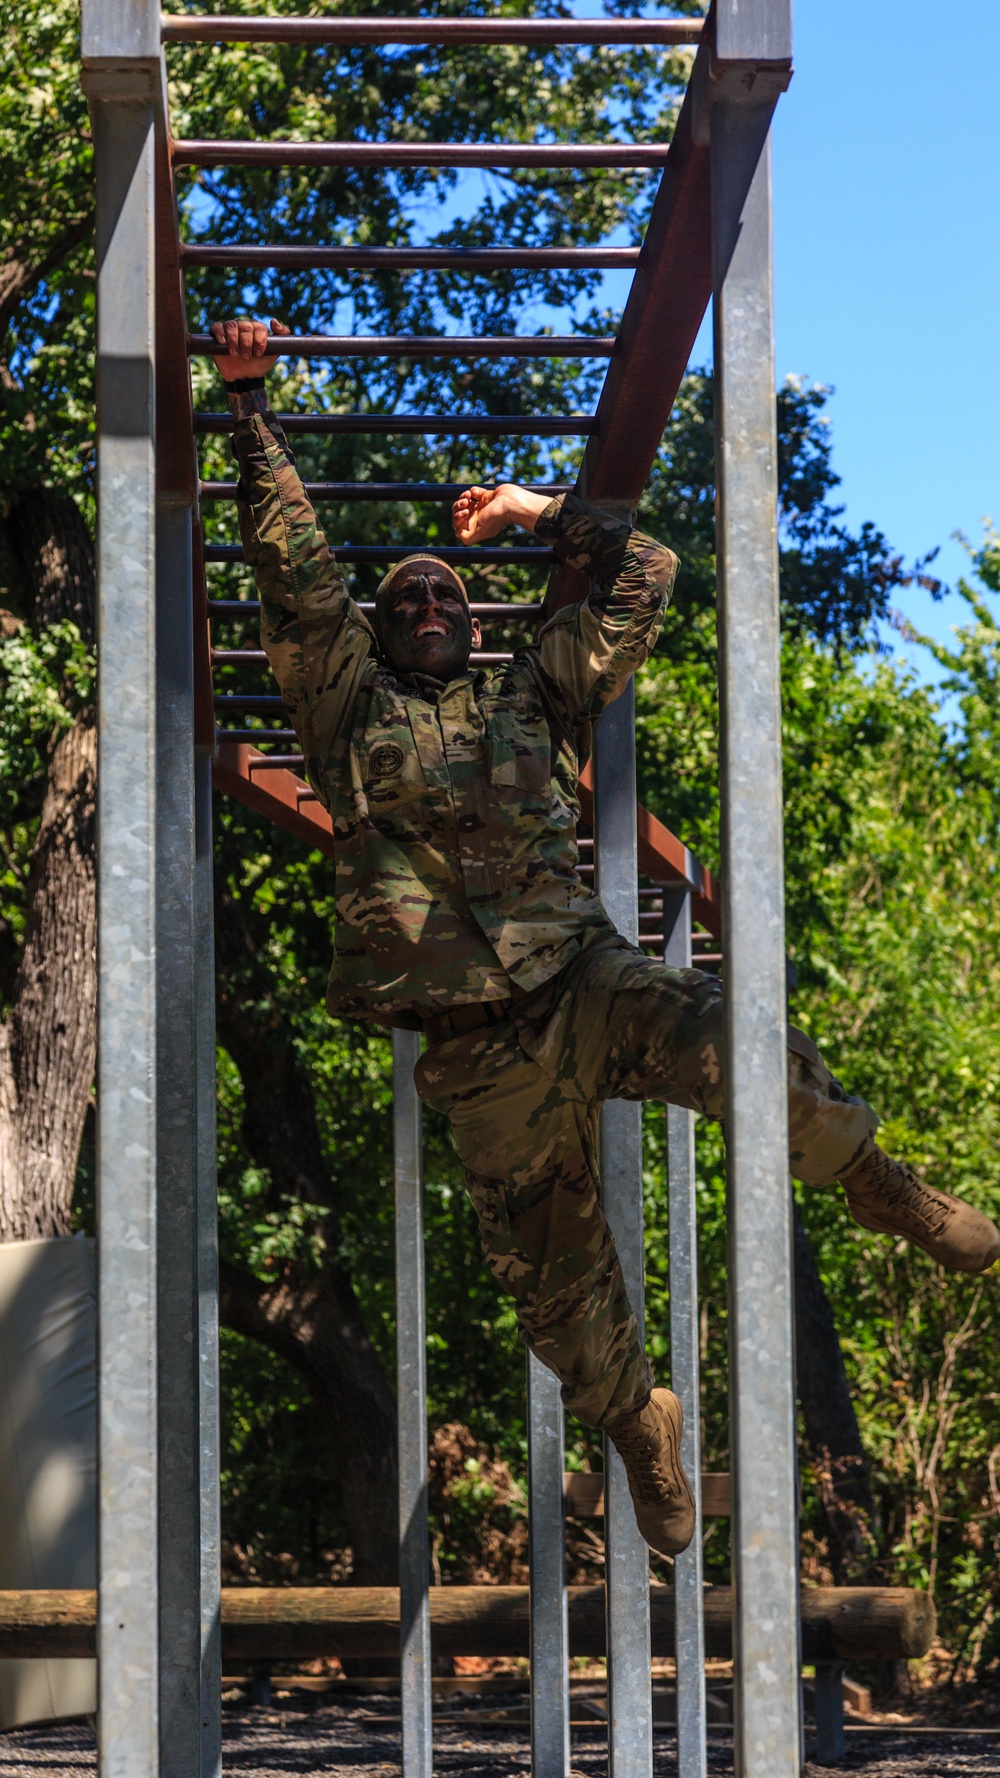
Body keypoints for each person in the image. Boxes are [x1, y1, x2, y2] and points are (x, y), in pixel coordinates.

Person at [211, 316, 999, 1561]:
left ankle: (874, 1182)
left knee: (738, 1045)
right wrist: (250, 413)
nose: (423, 600)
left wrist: (535, 516)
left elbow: (652, 574)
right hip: (478, 1048)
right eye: (403, 593)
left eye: (443, 591)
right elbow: (298, 579)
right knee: (551, 1291)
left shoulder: (534, 687)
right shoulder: (344, 708)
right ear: (379, 626)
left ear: (473, 621)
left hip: (583, 980)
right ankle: (640, 1422)